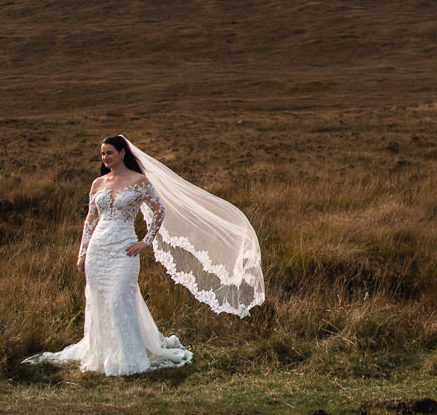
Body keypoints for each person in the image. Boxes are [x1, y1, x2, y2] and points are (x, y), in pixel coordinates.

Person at [23, 134, 265, 376]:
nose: (105, 157)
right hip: (98, 249)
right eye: (102, 154)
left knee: (119, 299)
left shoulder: (139, 181)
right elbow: (90, 220)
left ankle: (130, 359)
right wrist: (82, 253)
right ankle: (105, 356)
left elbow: (159, 211)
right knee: (100, 302)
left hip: (125, 250)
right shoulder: (98, 183)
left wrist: (145, 241)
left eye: (109, 152)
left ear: (122, 153)